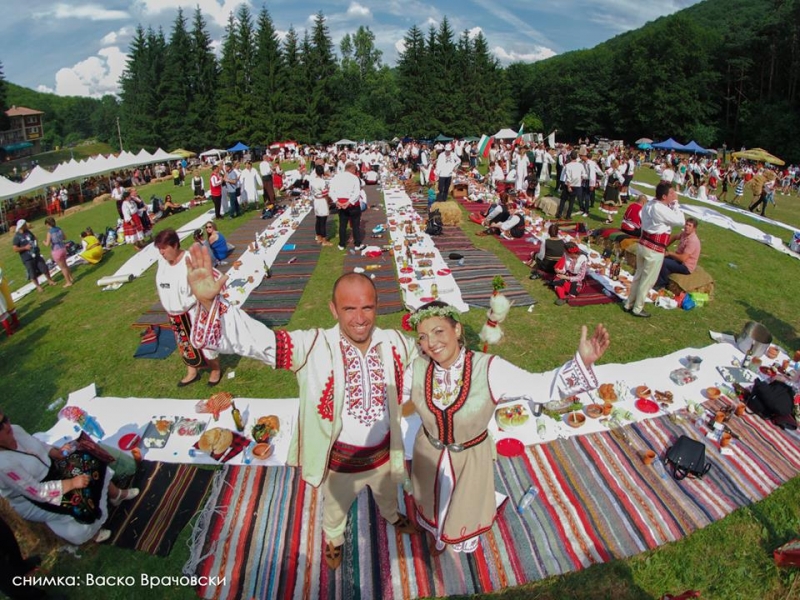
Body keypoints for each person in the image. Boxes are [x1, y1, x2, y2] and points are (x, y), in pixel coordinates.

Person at [184, 260, 421, 570]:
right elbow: (261, 342)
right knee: (335, 508)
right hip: (339, 462)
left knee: (388, 494)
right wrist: (209, 302)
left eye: (368, 308)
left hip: (383, 455)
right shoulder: (311, 346)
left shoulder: (395, 343)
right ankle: (334, 539)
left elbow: (429, 360)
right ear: (333, 310)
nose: (360, 319)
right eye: (349, 309)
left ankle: (391, 516)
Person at [402, 301, 609, 555]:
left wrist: (581, 363)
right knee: (431, 502)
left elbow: (539, 386)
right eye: (423, 336)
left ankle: (448, 538)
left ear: (456, 330)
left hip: (469, 460)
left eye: (438, 331)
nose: (431, 343)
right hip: (428, 455)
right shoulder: (417, 369)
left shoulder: (489, 368)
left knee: (461, 509)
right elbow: (389, 398)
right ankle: (436, 533)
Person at [0, 409, 139, 546]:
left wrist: (56, 452)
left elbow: (38, 444)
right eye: (0, 426)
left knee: (89, 457)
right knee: (78, 500)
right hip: (34, 498)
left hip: (52, 471)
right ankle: (92, 532)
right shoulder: (4, 465)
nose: (7, 426)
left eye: (5, 419)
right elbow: (37, 492)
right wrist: (72, 483)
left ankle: (115, 494)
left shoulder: (15, 429)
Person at [154, 229, 222, 387]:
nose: (162, 252)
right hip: (173, 312)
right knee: (183, 343)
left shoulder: (189, 260)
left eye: (164, 248)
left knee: (205, 342)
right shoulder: (161, 261)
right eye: (159, 249)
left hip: (193, 309)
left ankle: (215, 369)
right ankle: (192, 371)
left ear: (175, 244)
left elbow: (206, 281)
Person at [624, 182, 685, 318]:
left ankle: (629, 303)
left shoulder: (649, 204)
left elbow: (641, 215)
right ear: (664, 196)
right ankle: (637, 308)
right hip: (654, 248)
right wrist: (675, 204)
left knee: (639, 276)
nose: (674, 195)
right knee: (647, 280)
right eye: (671, 193)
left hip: (643, 244)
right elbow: (680, 221)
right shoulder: (660, 208)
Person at [656, 218, 701, 290]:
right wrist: (664, 246)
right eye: (686, 224)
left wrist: (670, 253)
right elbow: (674, 237)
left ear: (694, 228)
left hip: (685, 266)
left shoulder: (692, 241)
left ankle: (661, 285)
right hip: (678, 259)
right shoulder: (684, 234)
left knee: (664, 262)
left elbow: (683, 258)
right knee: (659, 256)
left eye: (690, 226)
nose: (687, 227)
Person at [329, 161, 365, 252]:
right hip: (352, 204)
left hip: (341, 202)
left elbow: (331, 191)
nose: (355, 172)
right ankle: (357, 244)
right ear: (352, 169)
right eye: (355, 170)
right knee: (355, 225)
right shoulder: (354, 178)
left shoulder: (336, 177)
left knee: (342, 225)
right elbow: (357, 193)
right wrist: (348, 202)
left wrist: (337, 202)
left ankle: (342, 244)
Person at [12, 220, 56, 293]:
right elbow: (15, 248)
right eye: (24, 225)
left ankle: (50, 280)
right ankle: (38, 286)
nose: (26, 225)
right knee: (32, 272)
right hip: (27, 258)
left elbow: (34, 238)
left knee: (44, 267)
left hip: (36, 254)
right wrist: (25, 248)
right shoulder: (17, 237)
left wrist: (36, 244)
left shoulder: (28, 232)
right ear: (21, 226)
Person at [43, 217, 74, 288]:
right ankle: (71, 278)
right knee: (65, 265)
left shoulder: (49, 232)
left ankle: (68, 282)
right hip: (63, 248)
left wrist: (44, 242)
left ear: (48, 224)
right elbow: (65, 237)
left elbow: (47, 244)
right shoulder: (59, 229)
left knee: (62, 267)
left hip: (56, 250)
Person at [309, 164, 332, 246]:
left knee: (318, 219)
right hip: (322, 200)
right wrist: (329, 200)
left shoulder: (312, 181)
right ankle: (324, 240)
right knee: (323, 221)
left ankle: (318, 237)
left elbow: (311, 191)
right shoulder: (322, 182)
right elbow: (325, 193)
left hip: (316, 200)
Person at [556, 150, 583, 220]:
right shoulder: (580, 165)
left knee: (563, 199)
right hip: (576, 185)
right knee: (572, 201)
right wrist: (579, 181)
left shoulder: (568, 165)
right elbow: (583, 175)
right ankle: (568, 215)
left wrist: (568, 186)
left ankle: (560, 213)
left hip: (569, 184)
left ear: (570, 157)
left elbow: (568, 177)